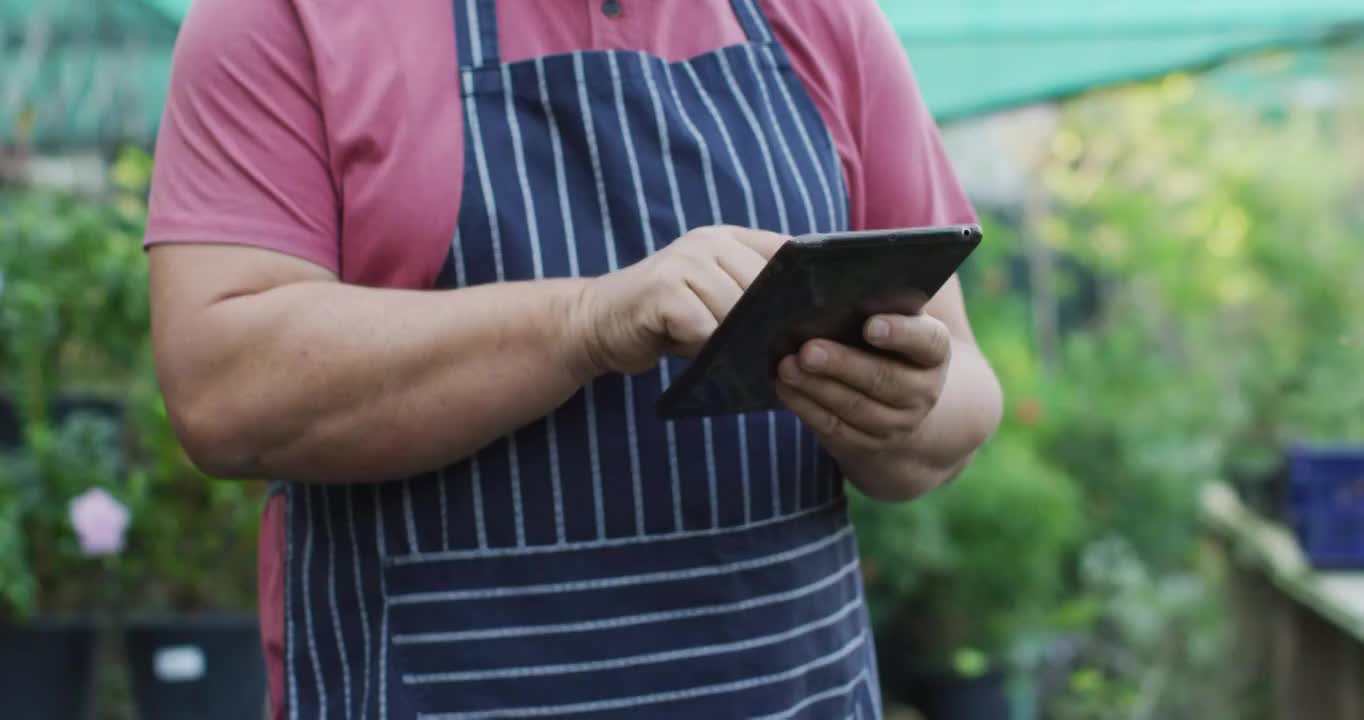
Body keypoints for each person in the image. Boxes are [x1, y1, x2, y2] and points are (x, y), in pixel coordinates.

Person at [145, 0, 1003, 717]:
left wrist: (902, 405)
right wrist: (585, 322)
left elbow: (962, 382)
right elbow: (226, 392)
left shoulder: (817, 20)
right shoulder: (292, 18)